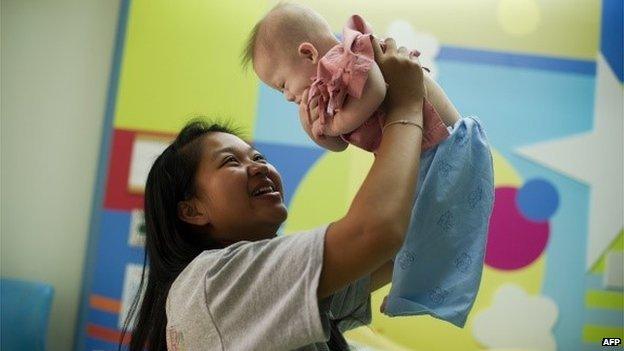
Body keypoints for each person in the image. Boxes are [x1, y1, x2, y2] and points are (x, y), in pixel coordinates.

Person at [119, 35, 428, 350]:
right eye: (230, 162)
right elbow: (376, 232)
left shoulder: (262, 276)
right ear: (192, 210)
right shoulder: (211, 284)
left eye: (258, 157)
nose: (258, 167)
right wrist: (405, 107)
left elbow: (408, 244)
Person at [244, 3, 494, 328]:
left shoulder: (347, 57)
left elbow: (375, 91)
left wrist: (332, 125)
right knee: (420, 230)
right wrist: (315, 129)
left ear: (307, 54)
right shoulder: (326, 90)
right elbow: (337, 144)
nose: (288, 96)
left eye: (281, 85)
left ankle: (417, 290)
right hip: (426, 155)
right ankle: (416, 291)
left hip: (446, 146)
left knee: (427, 227)